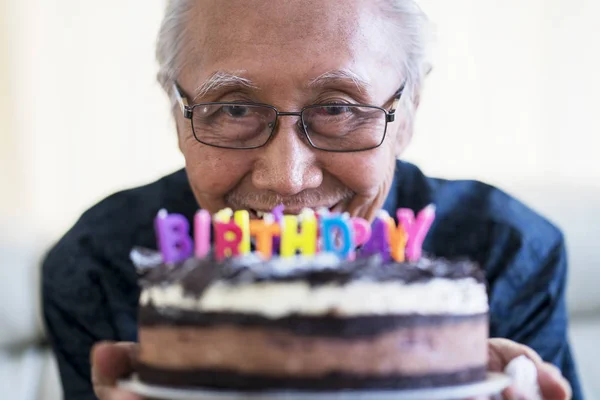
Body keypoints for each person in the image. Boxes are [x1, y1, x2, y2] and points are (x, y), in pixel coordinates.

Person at [42, 1, 580, 399]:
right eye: (232, 110)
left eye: (339, 108)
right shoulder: (100, 264)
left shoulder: (506, 251)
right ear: (174, 109)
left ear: (409, 107)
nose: (287, 181)